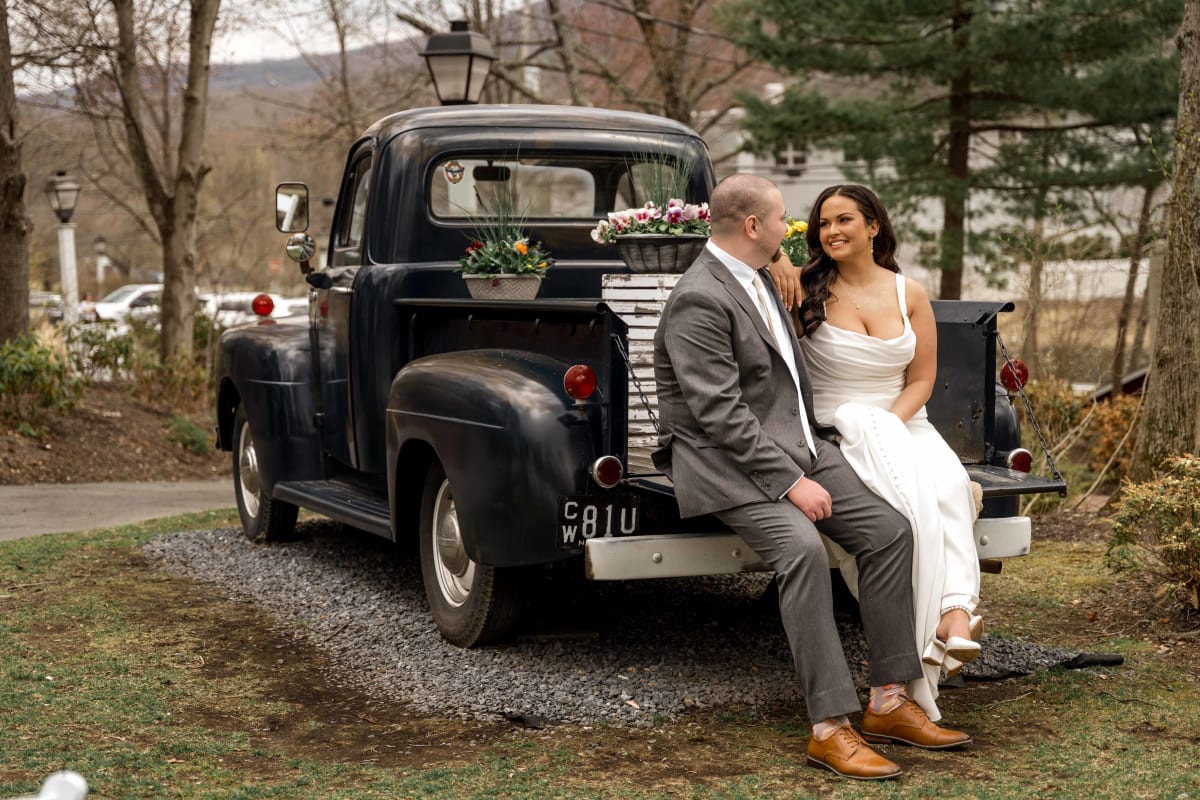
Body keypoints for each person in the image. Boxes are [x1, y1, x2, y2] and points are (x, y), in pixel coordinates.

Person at [653, 174, 970, 781]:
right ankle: (829, 727)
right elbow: (718, 413)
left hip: (800, 445)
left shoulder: (764, 277)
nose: (792, 231)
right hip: (725, 463)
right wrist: (790, 482)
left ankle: (889, 699)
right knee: (801, 549)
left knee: (889, 530)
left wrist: (807, 459)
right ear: (752, 227)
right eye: (781, 220)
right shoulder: (700, 296)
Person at [768, 183, 984, 723]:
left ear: (873, 227)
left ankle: (955, 612)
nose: (832, 231)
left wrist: (891, 425)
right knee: (908, 509)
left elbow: (923, 378)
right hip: (841, 429)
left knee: (951, 486)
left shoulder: (909, 293)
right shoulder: (805, 289)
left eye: (844, 220)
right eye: (822, 224)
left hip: (904, 420)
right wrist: (779, 258)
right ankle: (923, 643)